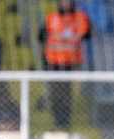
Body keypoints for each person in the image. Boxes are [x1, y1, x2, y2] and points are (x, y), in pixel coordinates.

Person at [38, 0, 91, 128]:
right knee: (55, 94)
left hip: (70, 64)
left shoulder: (80, 17)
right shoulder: (52, 18)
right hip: (53, 62)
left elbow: (88, 34)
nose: (66, 3)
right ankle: (57, 122)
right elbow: (40, 36)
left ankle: (65, 123)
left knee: (66, 95)